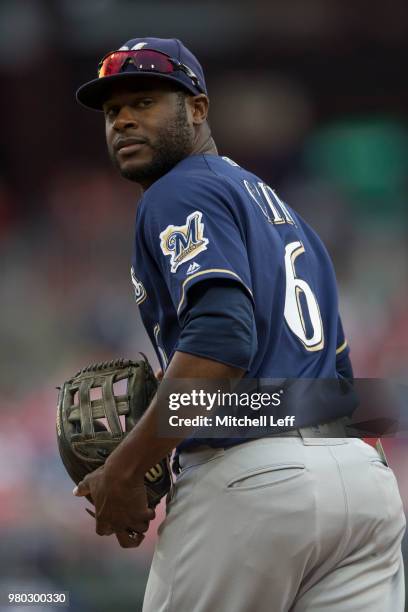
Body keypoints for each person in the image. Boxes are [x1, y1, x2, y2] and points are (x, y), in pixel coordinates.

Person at [73, 37, 405, 611]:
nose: (123, 120)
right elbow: (350, 389)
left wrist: (126, 469)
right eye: (112, 112)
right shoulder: (286, 214)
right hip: (363, 486)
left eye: (144, 101)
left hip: (254, 482)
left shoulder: (177, 190)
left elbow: (221, 342)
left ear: (197, 109)